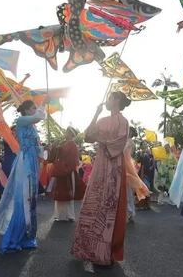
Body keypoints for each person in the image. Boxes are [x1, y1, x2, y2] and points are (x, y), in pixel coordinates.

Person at [71, 91, 131, 272]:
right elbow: (87, 136)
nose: (107, 101)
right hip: (99, 166)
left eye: (110, 98)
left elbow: (119, 143)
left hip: (114, 167)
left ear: (117, 101)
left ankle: (105, 252)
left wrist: (100, 139)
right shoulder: (102, 119)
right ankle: (86, 248)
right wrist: (96, 113)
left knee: (108, 205)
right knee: (93, 203)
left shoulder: (123, 121)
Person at [0, 100, 47, 254]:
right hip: (25, 162)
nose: (35, 110)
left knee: (30, 200)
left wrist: (42, 151)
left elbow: (35, 144)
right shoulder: (21, 120)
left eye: (35, 107)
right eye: (33, 107)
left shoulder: (31, 125)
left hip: (32, 161)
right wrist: (43, 104)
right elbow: (39, 117)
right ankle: (11, 242)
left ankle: (26, 238)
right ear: (26, 110)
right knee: (23, 201)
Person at [48, 126, 86, 222]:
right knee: (60, 193)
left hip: (67, 172)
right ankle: (60, 216)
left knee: (68, 194)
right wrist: (54, 147)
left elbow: (72, 160)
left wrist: (64, 168)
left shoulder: (73, 145)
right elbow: (56, 155)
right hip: (62, 170)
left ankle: (69, 216)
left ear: (71, 134)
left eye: (67, 132)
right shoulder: (63, 144)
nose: (65, 133)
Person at [135, 141, 155, 210]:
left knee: (148, 188)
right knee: (143, 188)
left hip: (149, 172)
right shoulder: (140, 153)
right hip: (142, 172)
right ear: (141, 146)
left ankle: (147, 204)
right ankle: (141, 204)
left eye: (146, 144)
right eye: (143, 144)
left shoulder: (149, 153)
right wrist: (141, 156)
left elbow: (152, 162)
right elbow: (137, 163)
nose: (145, 145)